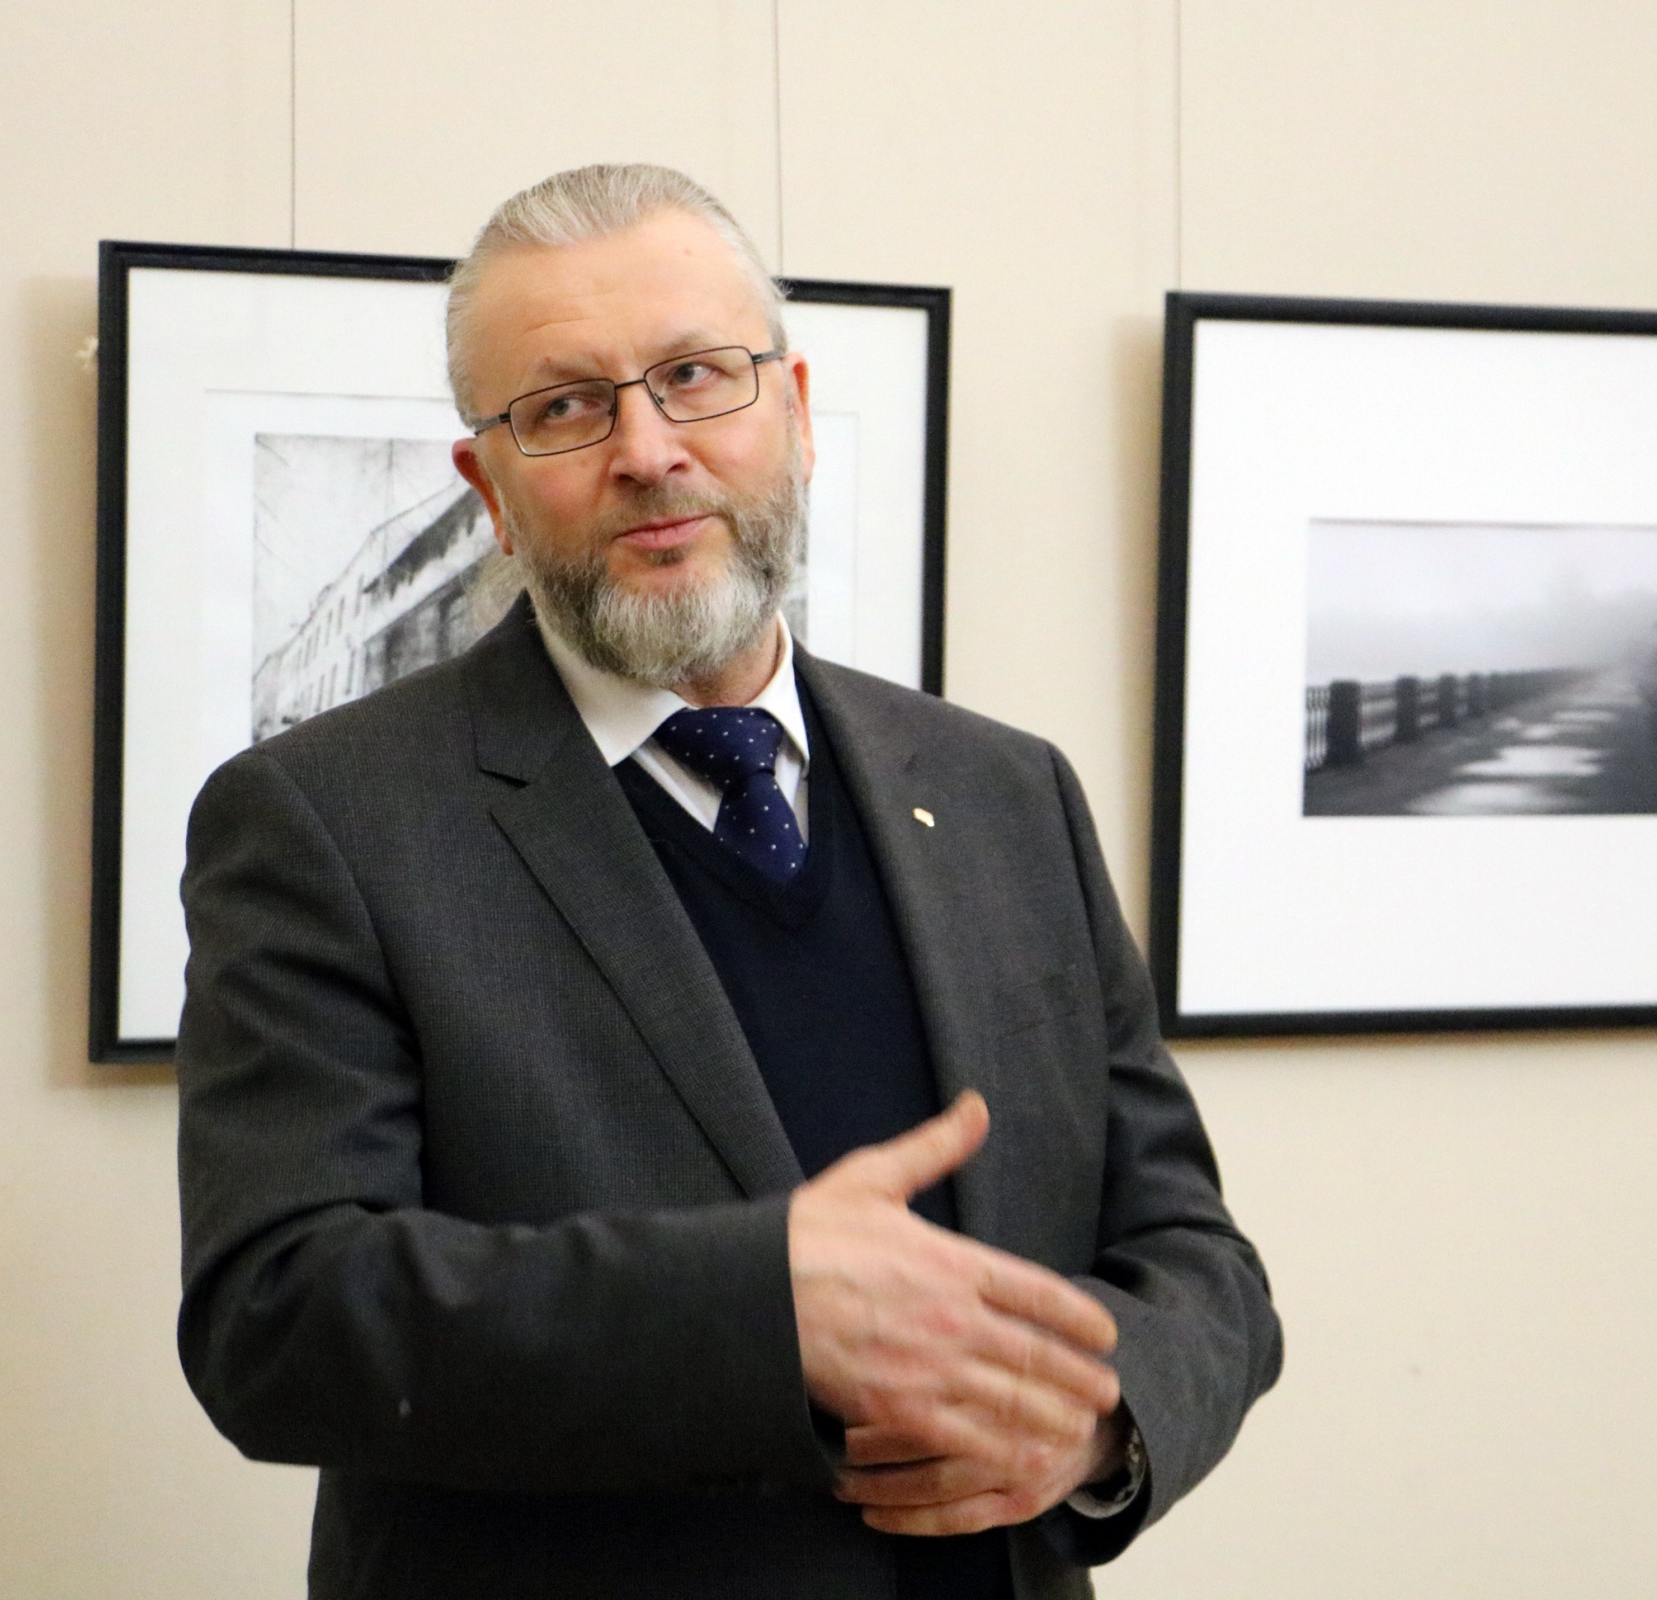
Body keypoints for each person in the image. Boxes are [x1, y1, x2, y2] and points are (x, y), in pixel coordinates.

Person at [175, 163, 1281, 1600]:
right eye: (565, 407)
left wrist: (1103, 1423)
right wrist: (763, 1305)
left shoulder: (1011, 794)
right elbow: (281, 1321)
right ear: (490, 489)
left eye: (696, 376)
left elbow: (1194, 1254)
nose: (647, 448)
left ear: (799, 416)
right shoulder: (328, 820)